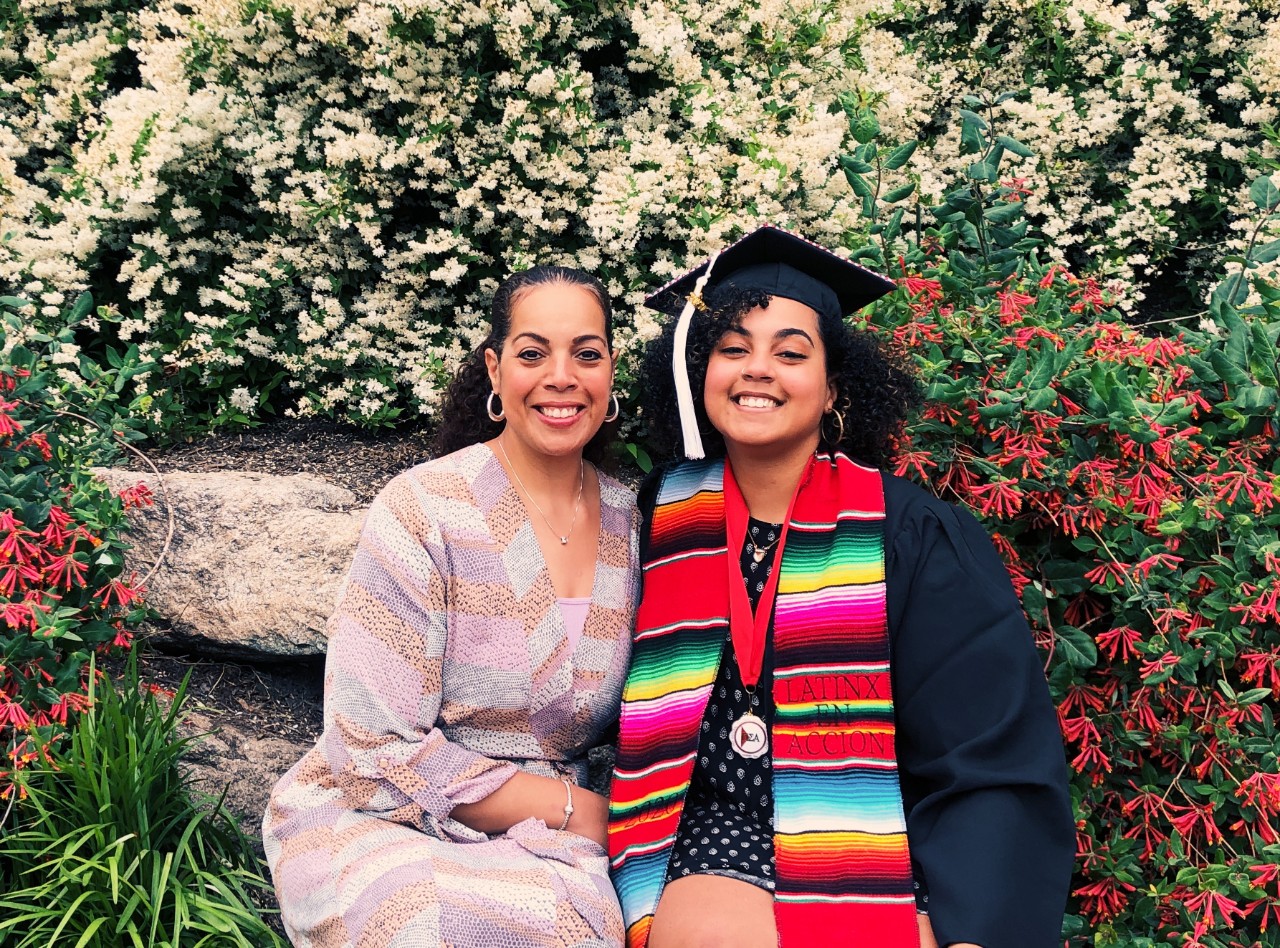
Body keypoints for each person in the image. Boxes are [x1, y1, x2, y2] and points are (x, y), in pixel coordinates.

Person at [608, 226, 1074, 948]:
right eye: (732, 348)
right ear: (700, 371)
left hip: (880, 834)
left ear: (832, 390)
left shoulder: (908, 534)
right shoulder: (658, 517)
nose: (757, 369)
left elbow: (985, 751)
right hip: (708, 834)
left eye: (791, 353)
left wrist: (973, 928)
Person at [264, 265, 639, 947]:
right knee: (428, 920)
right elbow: (371, 747)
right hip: (385, 817)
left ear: (610, 370)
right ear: (495, 369)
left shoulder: (634, 525)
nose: (562, 377)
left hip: (553, 844)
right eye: (533, 353)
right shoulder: (423, 508)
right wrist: (577, 807)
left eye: (586, 354)